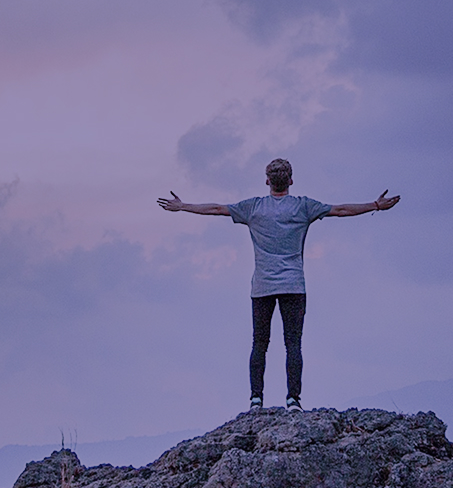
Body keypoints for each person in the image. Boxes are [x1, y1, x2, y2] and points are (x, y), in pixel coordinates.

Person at [158, 158, 400, 410]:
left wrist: (183, 206)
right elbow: (340, 210)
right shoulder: (304, 207)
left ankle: (256, 399)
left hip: (262, 286)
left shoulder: (253, 208)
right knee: (293, 344)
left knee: (259, 344)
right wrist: (375, 205)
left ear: (267, 181)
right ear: (291, 180)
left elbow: (217, 209)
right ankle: (293, 399)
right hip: (294, 285)